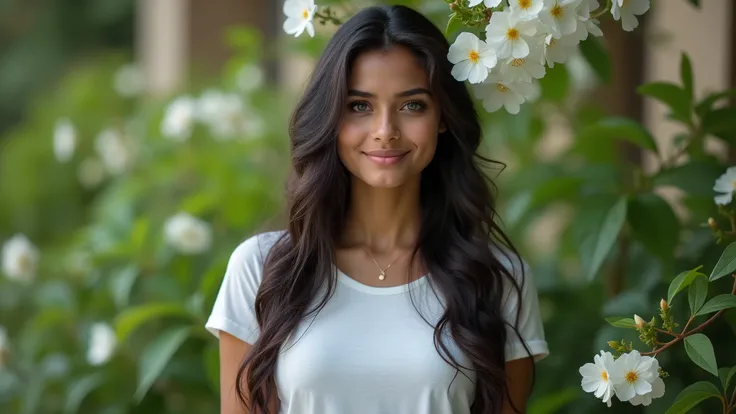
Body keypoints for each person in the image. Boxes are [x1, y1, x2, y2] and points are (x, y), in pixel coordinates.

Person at [205, 4, 549, 414]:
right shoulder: (263, 269)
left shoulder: (498, 279)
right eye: (359, 106)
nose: (385, 131)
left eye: (412, 105)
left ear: (442, 117)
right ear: (331, 117)